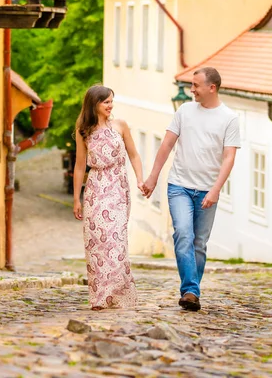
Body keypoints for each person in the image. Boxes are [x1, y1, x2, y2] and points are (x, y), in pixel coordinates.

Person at [143, 67, 240, 311]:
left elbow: (229, 157)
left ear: (212, 87)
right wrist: (153, 177)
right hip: (179, 186)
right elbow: (166, 145)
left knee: (199, 243)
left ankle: (191, 291)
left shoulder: (229, 118)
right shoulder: (184, 111)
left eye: (196, 85)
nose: (191, 90)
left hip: (208, 190)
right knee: (183, 233)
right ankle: (190, 290)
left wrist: (216, 190)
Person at [73, 85, 144, 310]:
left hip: (117, 187)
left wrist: (140, 180)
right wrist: (77, 198)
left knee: (116, 240)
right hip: (95, 189)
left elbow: (134, 155)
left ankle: (118, 292)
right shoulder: (83, 130)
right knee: (98, 243)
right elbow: (79, 166)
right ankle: (100, 296)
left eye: (111, 101)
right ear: (94, 104)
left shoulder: (120, 126)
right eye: (106, 102)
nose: (110, 105)